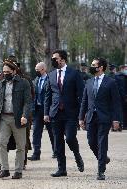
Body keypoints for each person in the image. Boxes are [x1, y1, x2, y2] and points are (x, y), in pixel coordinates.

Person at [79, 58, 121, 180]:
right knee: (91, 141)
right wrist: (81, 117)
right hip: (91, 117)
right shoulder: (89, 82)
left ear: (101, 67)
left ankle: (100, 170)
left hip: (104, 117)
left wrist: (116, 119)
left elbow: (116, 102)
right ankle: (103, 158)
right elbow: (84, 101)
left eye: (94, 65)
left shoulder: (111, 82)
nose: (91, 67)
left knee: (102, 142)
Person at [44, 49, 84, 177]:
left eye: (55, 58)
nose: (53, 60)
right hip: (55, 113)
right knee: (58, 142)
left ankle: (77, 155)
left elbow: (82, 94)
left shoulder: (74, 73)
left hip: (71, 112)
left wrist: (81, 113)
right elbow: (48, 96)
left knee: (70, 138)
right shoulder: (51, 75)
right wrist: (46, 113)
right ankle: (62, 169)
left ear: (62, 59)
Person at [0, 59, 32, 179]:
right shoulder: (1, 84)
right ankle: (5, 169)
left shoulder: (24, 83)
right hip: (4, 117)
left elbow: (27, 101)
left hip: (18, 118)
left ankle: (18, 170)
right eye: (4, 72)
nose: (5, 74)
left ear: (14, 71)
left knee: (21, 145)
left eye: (8, 71)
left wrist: (25, 115)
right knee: (1, 143)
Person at [28, 62, 55, 161]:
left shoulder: (51, 79)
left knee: (52, 132)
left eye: (37, 70)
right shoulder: (35, 80)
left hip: (47, 110)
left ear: (43, 69)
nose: (36, 72)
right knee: (36, 132)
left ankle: (56, 151)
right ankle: (36, 153)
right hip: (37, 110)